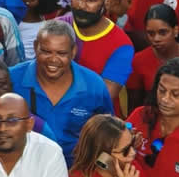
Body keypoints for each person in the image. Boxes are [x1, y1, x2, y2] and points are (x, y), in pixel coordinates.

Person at [10, 20, 115, 164]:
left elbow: (107, 134)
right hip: (24, 166)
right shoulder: (11, 79)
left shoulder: (94, 85)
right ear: (35, 47)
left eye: (61, 53)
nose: (53, 60)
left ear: (73, 51)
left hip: (75, 170)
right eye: (46, 51)